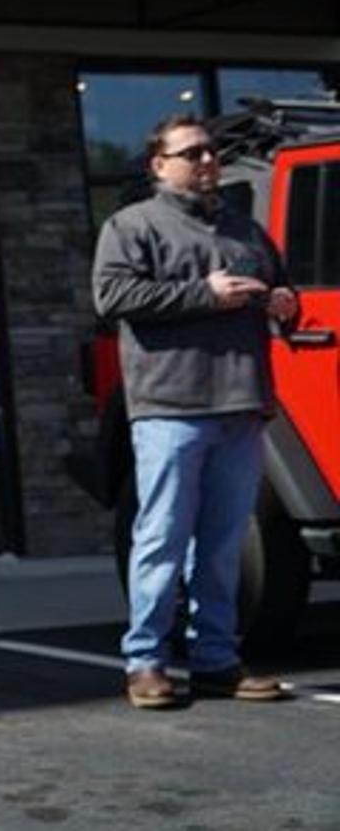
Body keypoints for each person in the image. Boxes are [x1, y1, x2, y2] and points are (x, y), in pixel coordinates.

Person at [92, 113, 293, 709]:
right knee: (161, 539)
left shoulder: (245, 230)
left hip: (242, 404)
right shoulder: (132, 225)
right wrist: (206, 294)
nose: (207, 161)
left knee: (224, 544)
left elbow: (278, 291)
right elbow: (112, 296)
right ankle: (145, 662)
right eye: (192, 153)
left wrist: (283, 303)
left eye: (211, 152)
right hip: (170, 408)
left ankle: (216, 661)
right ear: (159, 165)